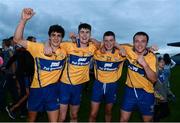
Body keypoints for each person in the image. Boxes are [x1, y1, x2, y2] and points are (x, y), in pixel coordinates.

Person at [13, 8, 66, 122]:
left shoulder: (65, 50)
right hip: (37, 90)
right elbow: (17, 39)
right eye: (53, 35)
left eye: (59, 35)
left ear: (62, 38)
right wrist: (23, 20)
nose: (56, 38)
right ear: (49, 36)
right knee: (31, 120)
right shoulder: (38, 48)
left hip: (53, 90)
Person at [119, 32, 157, 122]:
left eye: (143, 41)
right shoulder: (129, 50)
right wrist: (121, 49)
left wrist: (145, 65)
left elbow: (154, 79)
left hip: (146, 92)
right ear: (133, 42)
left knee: (147, 121)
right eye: (137, 41)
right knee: (123, 119)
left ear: (147, 43)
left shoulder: (151, 57)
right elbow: (112, 43)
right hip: (130, 91)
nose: (139, 44)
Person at [89, 31, 125, 122]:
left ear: (115, 41)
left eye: (111, 40)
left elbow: (137, 49)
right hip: (98, 84)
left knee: (108, 111)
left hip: (112, 86)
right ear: (103, 41)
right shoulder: (96, 52)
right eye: (106, 41)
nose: (108, 43)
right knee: (93, 113)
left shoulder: (121, 53)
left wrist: (120, 47)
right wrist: (99, 44)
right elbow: (88, 42)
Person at [5, 36, 36, 119]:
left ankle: (22, 110)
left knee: (24, 93)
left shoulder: (28, 51)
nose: (35, 43)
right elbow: (13, 59)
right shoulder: (24, 51)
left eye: (35, 41)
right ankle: (12, 108)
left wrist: (6, 66)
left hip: (26, 75)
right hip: (24, 76)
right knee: (26, 94)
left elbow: (12, 59)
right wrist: (6, 67)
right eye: (34, 41)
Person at [153, 57, 170, 121]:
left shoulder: (163, 72)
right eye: (161, 62)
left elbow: (164, 85)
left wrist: (169, 92)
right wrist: (158, 96)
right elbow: (151, 86)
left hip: (162, 96)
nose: (163, 63)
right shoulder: (155, 72)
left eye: (164, 62)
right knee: (165, 112)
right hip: (158, 97)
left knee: (156, 113)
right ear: (157, 63)